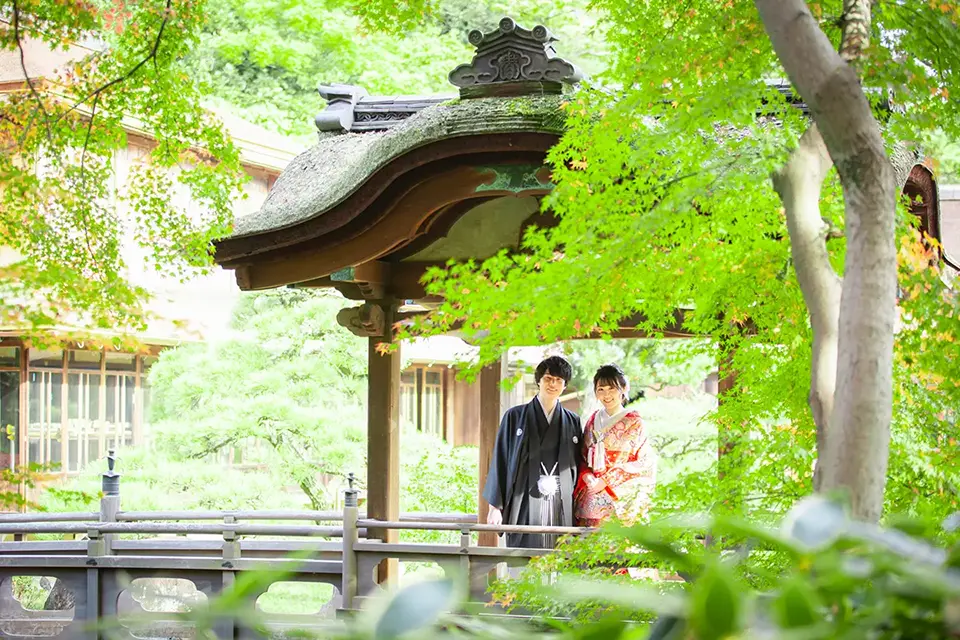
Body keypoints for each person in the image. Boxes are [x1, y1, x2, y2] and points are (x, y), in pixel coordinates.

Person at [482, 355, 583, 548]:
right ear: (538, 381)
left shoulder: (573, 421)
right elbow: (500, 461)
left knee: (560, 553)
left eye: (558, 380)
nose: (552, 384)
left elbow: (579, 464)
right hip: (524, 499)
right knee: (524, 554)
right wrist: (494, 507)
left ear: (565, 385)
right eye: (548, 378)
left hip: (561, 499)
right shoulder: (515, 417)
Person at [574, 364, 656, 528]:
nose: (606, 395)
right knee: (587, 541)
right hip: (591, 493)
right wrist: (586, 476)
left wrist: (606, 480)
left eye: (612, 388)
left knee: (617, 541)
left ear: (623, 389)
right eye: (601, 389)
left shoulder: (634, 422)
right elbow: (582, 456)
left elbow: (644, 462)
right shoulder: (592, 420)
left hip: (619, 497)